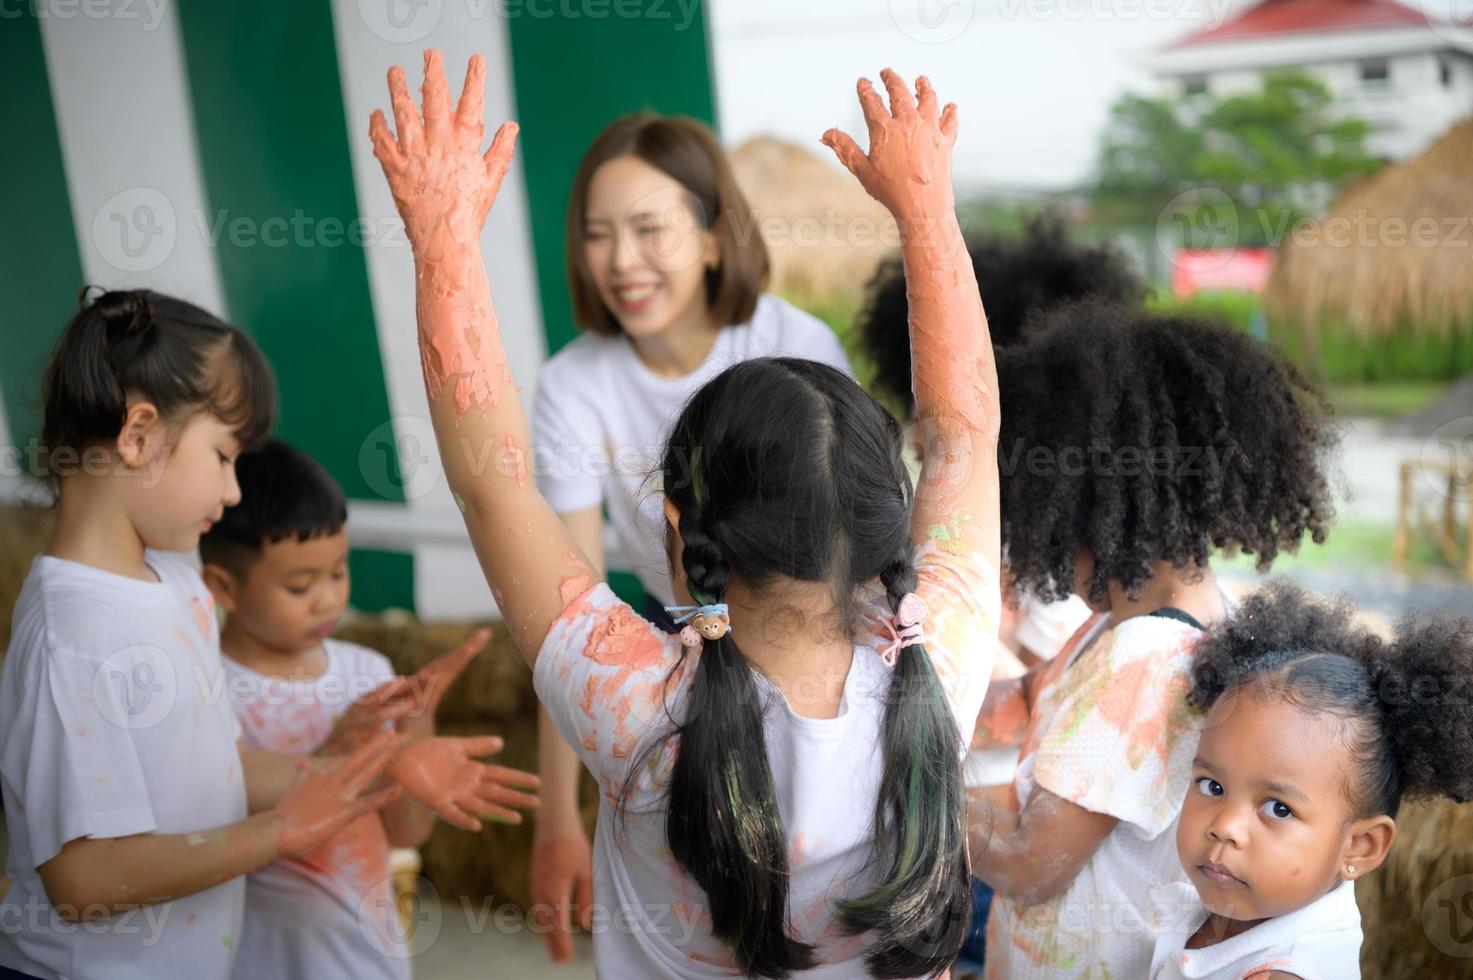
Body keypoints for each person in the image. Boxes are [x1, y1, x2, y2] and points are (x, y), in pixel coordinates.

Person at [370, 51, 998, 975]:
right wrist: (927, 217)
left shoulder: (633, 712)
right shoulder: (942, 665)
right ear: (879, 521)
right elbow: (965, 441)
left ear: (681, 532)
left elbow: (490, 484)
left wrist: (441, 241)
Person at [528, 111, 853, 960]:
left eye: (648, 229)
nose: (621, 261)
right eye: (597, 235)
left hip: (808, 633)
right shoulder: (570, 385)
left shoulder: (791, 343)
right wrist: (557, 817)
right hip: (662, 636)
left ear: (713, 236)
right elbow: (567, 608)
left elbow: (844, 536)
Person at [968, 300, 1340, 979]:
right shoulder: (1168, 615)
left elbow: (1028, 864)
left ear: (1076, 503)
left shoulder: (1144, 658)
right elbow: (1040, 707)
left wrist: (907, 789)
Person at [199, 439, 540, 979]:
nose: (328, 599)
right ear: (223, 587)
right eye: (300, 584)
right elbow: (214, 830)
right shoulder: (210, 687)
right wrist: (342, 747)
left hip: (365, 957)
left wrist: (418, 726)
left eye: (338, 573)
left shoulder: (368, 673)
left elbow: (406, 833)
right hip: (259, 957)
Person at [1151, 582, 1473, 978]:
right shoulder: (1214, 906)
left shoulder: (1288, 971)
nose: (1225, 827)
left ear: (1359, 846)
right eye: (1212, 786)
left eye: (1278, 808)